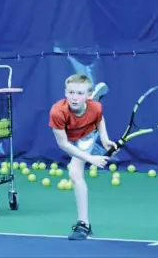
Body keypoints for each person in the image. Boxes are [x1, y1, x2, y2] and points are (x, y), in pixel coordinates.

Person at [49, 74, 117, 240]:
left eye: (80, 94)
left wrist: (105, 139)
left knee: (74, 173)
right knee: (77, 157)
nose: (74, 97)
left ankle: (84, 225)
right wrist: (90, 158)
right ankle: (94, 96)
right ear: (65, 92)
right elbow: (64, 145)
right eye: (71, 92)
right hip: (69, 138)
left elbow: (99, 119)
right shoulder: (57, 112)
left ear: (86, 95)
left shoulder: (96, 108)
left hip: (87, 134)